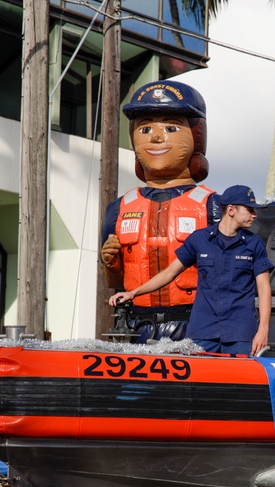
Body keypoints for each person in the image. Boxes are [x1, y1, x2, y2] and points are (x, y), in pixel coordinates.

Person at [100, 79, 221, 340]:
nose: (155, 137)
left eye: (170, 127)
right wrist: (111, 263)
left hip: (194, 324)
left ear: (197, 135)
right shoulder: (119, 208)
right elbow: (115, 282)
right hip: (136, 325)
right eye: (144, 129)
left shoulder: (212, 205)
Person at [109, 185, 274, 356]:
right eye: (250, 210)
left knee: (241, 382)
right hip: (203, 330)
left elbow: (264, 289)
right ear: (231, 210)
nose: (254, 215)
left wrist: (263, 330)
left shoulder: (254, 244)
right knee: (198, 382)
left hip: (240, 332)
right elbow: (168, 273)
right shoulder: (199, 239)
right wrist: (133, 293)